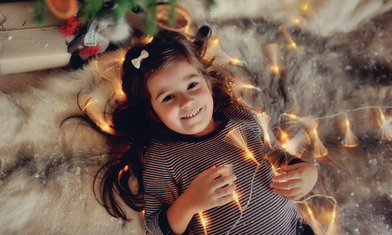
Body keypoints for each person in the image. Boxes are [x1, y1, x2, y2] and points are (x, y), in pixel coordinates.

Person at [94, 30, 318, 234]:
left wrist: (308, 172)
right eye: (168, 97)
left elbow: (277, 155)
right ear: (153, 113)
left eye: (192, 85)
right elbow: (155, 227)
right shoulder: (162, 156)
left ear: (208, 85)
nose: (187, 101)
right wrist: (189, 202)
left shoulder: (240, 117)